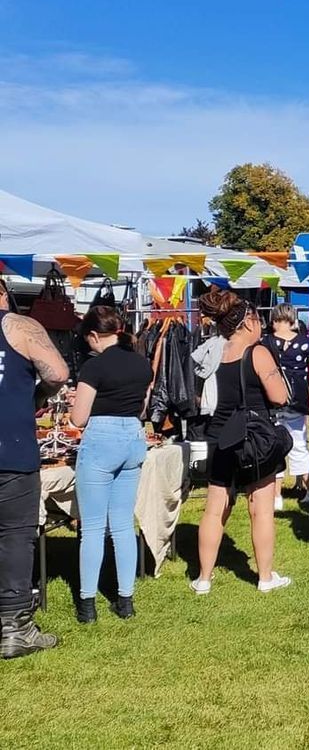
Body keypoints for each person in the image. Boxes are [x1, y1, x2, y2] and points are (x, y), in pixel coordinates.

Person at [192, 290, 291, 595]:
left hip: (220, 435)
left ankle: (204, 578)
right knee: (260, 508)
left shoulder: (213, 352)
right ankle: (264, 577)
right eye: (258, 319)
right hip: (254, 436)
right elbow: (279, 396)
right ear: (247, 321)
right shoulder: (257, 352)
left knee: (214, 509)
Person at [69, 307, 153, 623]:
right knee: (122, 524)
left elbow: (78, 418)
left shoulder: (94, 368)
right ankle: (125, 600)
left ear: (94, 335)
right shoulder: (143, 363)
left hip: (101, 438)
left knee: (92, 528)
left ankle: (87, 605)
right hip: (133, 436)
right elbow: (142, 408)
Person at [0, 277, 69, 658]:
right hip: (10, 450)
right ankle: (14, 627)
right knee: (14, 536)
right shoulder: (18, 326)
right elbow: (58, 373)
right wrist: (36, 393)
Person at [263, 303, 309, 510]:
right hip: (297, 401)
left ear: (274, 321)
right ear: (293, 320)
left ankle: (276, 497)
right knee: (300, 445)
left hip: (273, 400)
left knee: (275, 448)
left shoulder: (265, 343)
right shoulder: (304, 342)